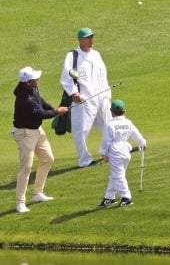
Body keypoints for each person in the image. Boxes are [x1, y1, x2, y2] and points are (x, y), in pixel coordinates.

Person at [11, 66, 68, 214]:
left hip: (37, 131)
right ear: (27, 82)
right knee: (26, 167)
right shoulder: (25, 99)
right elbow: (41, 114)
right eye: (35, 78)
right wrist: (57, 112)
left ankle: (37, 193)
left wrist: (55, 109)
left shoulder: (32, 89)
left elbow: (41, 102)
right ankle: (20, 203)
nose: (38, 79)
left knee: (48, 159)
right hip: (24, 134)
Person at [60, 28, 111, 168]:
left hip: (101, 98)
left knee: (108, 125)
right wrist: (74, 93)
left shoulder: (96, 55)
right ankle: (84, 160)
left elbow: (103, 76)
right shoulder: (73, 56)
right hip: (83, 100)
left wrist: (107, 95)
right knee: (81, 130)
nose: (91, 40)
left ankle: (115, 149)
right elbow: (66, 76)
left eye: (92, 37)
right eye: (87, 38)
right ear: (80, 40)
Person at [96, 99, 146, 209]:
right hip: (126, 151)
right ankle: (109, 197)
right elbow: (136, 134)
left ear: (112, 112)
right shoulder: (128, 123)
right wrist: (142, 143)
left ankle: (126, 197)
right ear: (124, 111)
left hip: (115, 152)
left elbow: (106, 140)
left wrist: (103, 153)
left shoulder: (110, 125)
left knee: (118, 176)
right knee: (115, 175)